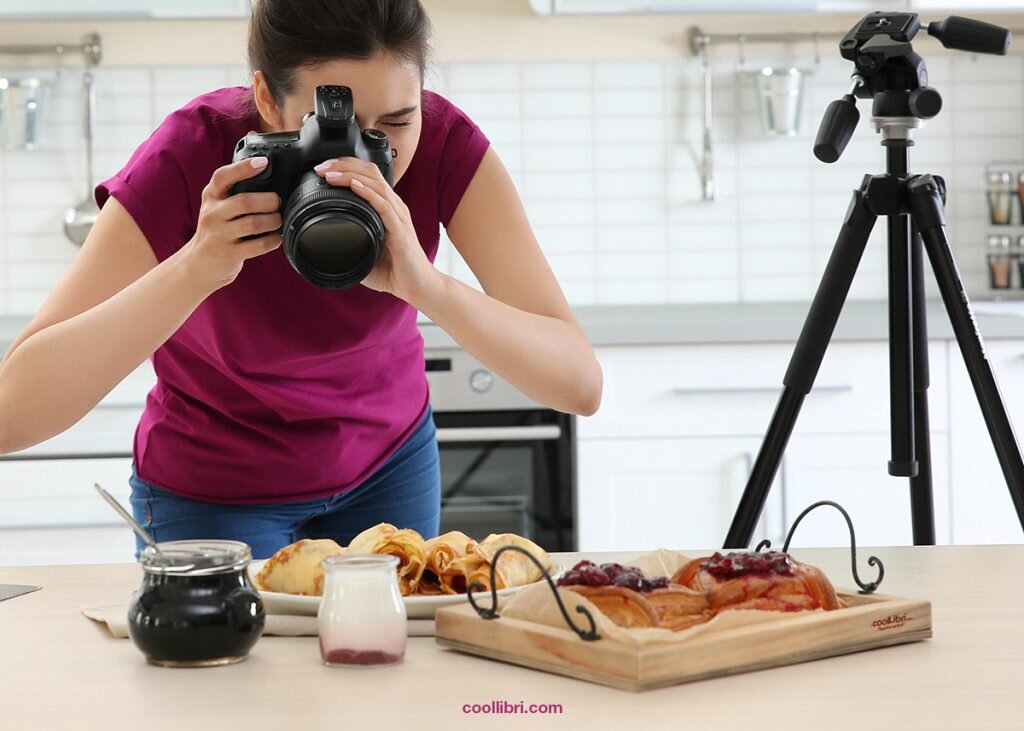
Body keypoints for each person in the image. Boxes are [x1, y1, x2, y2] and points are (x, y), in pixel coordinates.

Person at [0, 0, 602, 558]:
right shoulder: (191, 154)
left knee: (385, 671)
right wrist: (195, 267)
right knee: (231, 670)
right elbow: (12, 416)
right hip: (213, 490)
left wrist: (427, 287)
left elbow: (579, 384)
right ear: (266, 100)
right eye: (331, 127)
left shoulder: (445, 144)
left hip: (388, 471)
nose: (363, 158)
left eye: (396, 121)